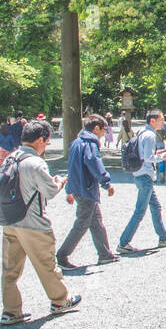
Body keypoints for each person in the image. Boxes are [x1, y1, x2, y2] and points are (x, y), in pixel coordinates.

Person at [0, 119, 82, 325]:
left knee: (10, 269)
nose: (47, 145)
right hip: (33, 223)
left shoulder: (11, 158)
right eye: (47, 141)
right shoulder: (35, 163)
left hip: (10, 221)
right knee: (47, 264)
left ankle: (11, 310)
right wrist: (60, 181)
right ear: (39, 140)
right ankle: (60, 300)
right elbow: (51, 191)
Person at [58, 114, 120, 268]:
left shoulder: (76, 142)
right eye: (104, 130)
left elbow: (71, 168)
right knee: (82, 223)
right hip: (86, 188)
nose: (104, 133)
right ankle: (61, 255)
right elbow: (94, 163)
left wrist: (69, 189)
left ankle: (105, 254)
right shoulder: (90, 144)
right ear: (96, 128)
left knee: (96, 222)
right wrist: (107, 183)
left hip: (79, 187)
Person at [118, 109, 166, 253]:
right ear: (152, 121)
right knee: (140, 211)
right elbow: (148, 157)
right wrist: (160, 158)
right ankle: (123, 242)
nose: (163, 122)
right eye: (161, 119)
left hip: (139, 173)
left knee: (156, 207)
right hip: (145, 176)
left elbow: (143, 153)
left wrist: (157, 153)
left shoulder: (142, 132)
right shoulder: (150, 135)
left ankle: (163, 238)